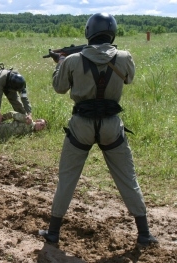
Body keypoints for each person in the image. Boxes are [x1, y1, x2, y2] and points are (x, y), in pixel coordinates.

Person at [39, 13, 158, 247]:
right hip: (112, 126)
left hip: (81, 125)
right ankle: (144, 234)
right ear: (111, 32)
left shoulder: (73, 60)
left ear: (89, 32)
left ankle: (53, 232)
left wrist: (61, 64)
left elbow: (59, 88)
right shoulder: (124, 57)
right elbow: (129, 79)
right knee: (128, 178)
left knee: (67, 179)